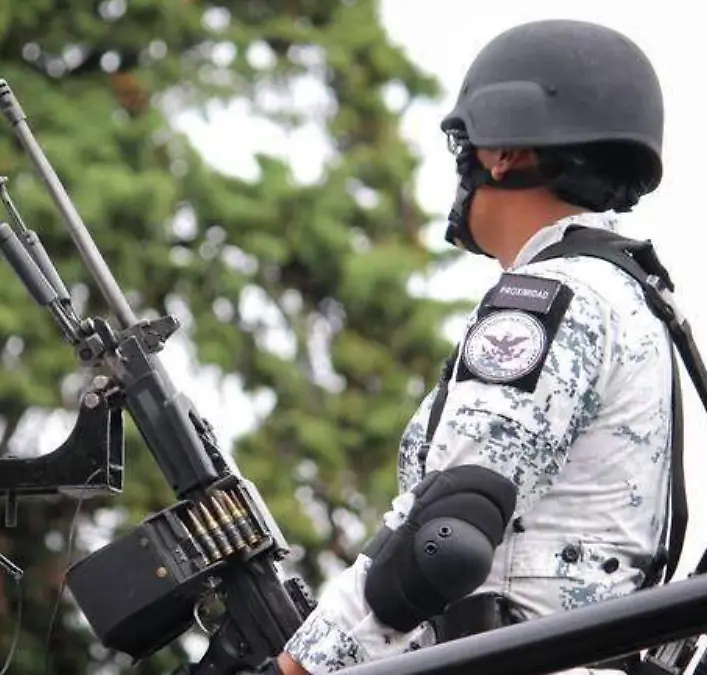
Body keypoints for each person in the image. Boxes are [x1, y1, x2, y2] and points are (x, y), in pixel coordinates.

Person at [274, 19, 683, 675]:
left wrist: (293, 668)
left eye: (466, 143)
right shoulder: (634, 300)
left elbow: (446, 539)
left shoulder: (549, 301)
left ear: (505, 153)